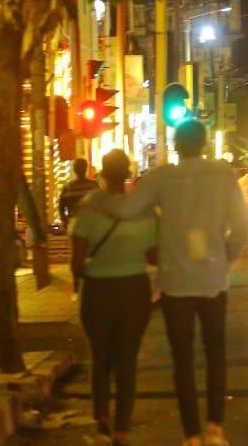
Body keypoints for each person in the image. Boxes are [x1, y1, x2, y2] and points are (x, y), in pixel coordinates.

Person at [103, 120, 248, 446]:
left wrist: (99, 199)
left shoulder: (160, 178)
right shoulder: (223, 175)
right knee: (216, 353)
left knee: (182, 359)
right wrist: (226, 254)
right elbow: (243, 224)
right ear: (205, 143)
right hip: (213, 280)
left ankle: (191, 435)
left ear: (175, 145)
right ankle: (215, 427)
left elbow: (127, 209)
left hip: (175, 282)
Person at [70, 150, 157, 446]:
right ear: (129, 173)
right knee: (127, 359)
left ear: (102, 174)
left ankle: (102, 424)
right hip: (134, 291)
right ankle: (122, 429)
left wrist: (96, 267)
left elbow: (76, 263)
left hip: (98, 292)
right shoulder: (143, 210)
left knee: (100, 357)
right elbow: (154, 255)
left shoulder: (88, 207)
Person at [59, 158, 99, 225]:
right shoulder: (93, 185)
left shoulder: (67, 187)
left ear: (74, 169)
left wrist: (65, 222)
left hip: (74, 226)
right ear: (86, 168)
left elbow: (61, 207)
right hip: (91, 225)